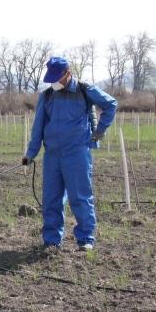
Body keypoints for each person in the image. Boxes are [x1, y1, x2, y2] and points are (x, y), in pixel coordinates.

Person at [22, 56, 117, 251]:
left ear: (67, 74)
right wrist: (31, 153)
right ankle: (51, 240)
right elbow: (38, 126)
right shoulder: (47, 96)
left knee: (80, 197)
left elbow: (110, 104)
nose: (54, 83)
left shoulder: (84, 90)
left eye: (57, 78)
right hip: (52, 155)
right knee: (51, 198)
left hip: (77, 153)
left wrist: (100, 131)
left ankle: (85, 239)